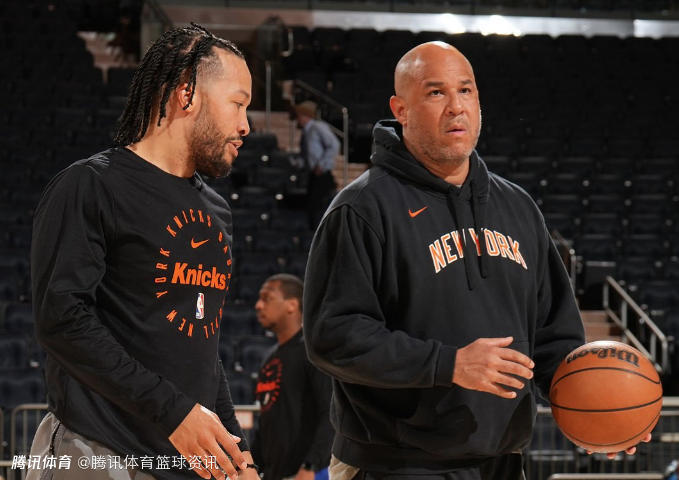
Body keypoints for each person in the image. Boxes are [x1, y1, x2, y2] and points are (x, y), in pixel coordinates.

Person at [303, 41, 648, 480]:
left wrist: (601, 409)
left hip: (502, 462)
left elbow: (554, 338)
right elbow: (333, 335)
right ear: (400, 109)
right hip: (395, 462)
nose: (456, 107)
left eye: (465, 91)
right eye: (436, 92)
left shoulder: (518, 208)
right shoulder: (362, 209)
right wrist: (447, 364)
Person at [28, 24, 258, 480]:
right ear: (187, 95)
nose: (245, 126)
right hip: (96, 452)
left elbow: (201, 350)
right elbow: (62, 320)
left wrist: (237, 453)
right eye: (238, 104)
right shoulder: (92, 185)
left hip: (178, 463)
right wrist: (172, 412)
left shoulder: (217, 212)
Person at [252, 274, 333, 480]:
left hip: (306, 474)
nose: (258, 305)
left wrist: (311, 466)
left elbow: (331, 413)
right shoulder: (268, 359)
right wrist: (251, 466)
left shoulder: (313, 352)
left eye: (267, 298)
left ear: (292, 305)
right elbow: (265, 422)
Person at [293, 100, 341, 229]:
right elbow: (305, 156)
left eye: (299, 115)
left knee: (317, 207)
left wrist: (322, 164)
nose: (297, 118)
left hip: (322, 175)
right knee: (311, 207)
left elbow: (334, 145)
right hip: (313, 175)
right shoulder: (306, 132)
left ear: (305, 116)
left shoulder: (318, 127)